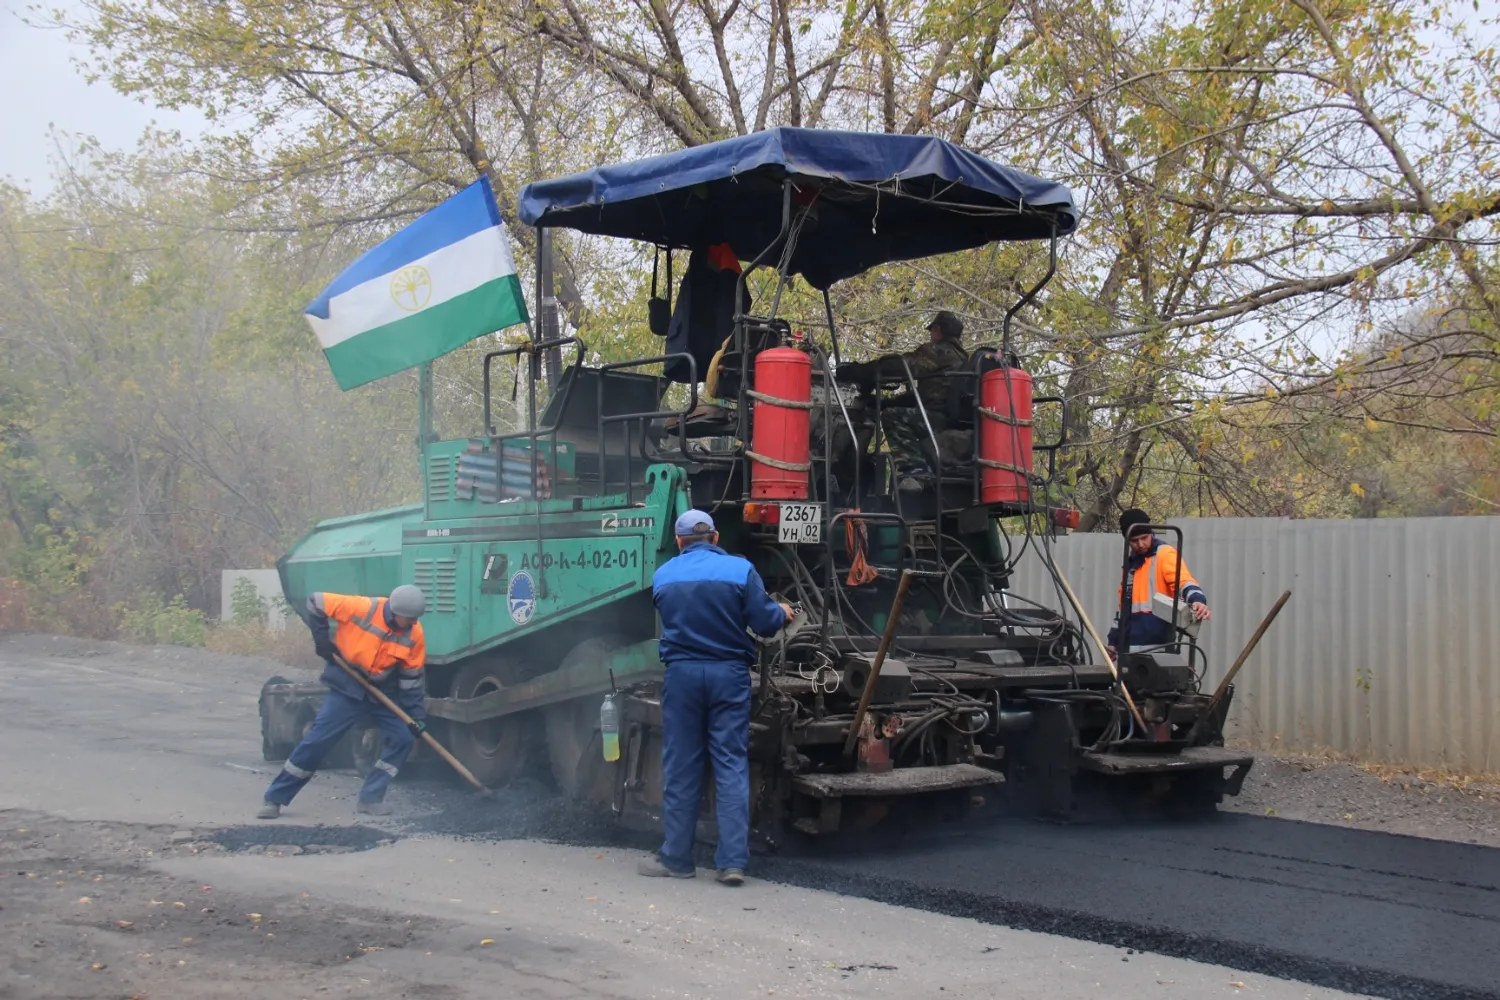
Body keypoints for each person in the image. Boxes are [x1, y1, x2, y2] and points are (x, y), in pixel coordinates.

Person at [639, 509, 793, 886]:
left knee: (681, 766)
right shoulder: (741, 572)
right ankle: (732, 864)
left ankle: (677, 859)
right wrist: (783, 612)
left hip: (683, 677)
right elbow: (764, 621)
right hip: (728, 675)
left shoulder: (662, 576)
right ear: (716, 537)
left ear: (678, 541)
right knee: (729, 764)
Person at [257, 585, 429, 819]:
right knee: (317, 741)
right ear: (395, 611)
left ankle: (371, 798)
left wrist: (415, 716)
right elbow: (315, 601)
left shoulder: (414, 634)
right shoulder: (364, 608)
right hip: (348, 687)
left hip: (382, 694)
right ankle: (275, 798)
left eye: (415, 619)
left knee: (403, 738)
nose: (412, 623)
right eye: (409, 619)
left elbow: (411, 679)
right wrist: (322, 640)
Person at [835, 310, 969, 492]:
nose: (930, 335)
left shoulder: (939, 351)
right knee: (893, 410)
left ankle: (915, 470)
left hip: (937, 418)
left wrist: (858, 371)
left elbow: (903, 367)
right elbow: (928, 397)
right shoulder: (962, 358)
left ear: (937, 330)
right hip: (945, 417)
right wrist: (886, 402)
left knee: (892, 417)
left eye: (932, 331)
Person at [1107, 509, 1211, 654]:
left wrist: (1198, 600)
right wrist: (1113, 641)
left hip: (1158, 646)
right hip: (1129, 649)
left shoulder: (1164, 554)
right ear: (1127, 540)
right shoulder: (1130, 565)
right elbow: (1123, 608)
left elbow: (1183, 581)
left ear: (1151, 533)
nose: (1141, 544)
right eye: (1135, 541)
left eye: (1145, 538)